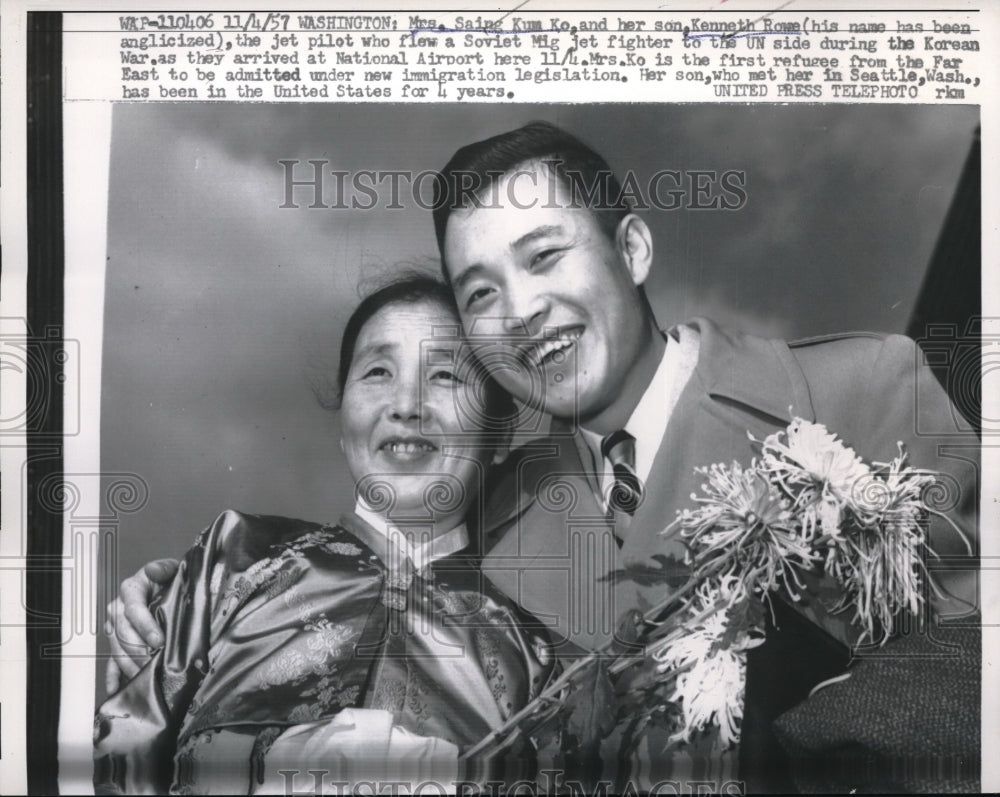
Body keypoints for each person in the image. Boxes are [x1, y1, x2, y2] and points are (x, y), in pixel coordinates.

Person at [110, 123, 980, 792]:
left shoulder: (867, 388)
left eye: (546, 255)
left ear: (632, 248)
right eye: (481, 291)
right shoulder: (498, 519)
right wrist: (182, 598)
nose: (520, 311)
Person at [95, 275, 554, 794]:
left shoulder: (529, 647)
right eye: (378, 372)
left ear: (500, 432)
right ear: (342, 423)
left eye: (446, 375)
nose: (406, 404)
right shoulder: (235, 560)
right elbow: (123, 761)